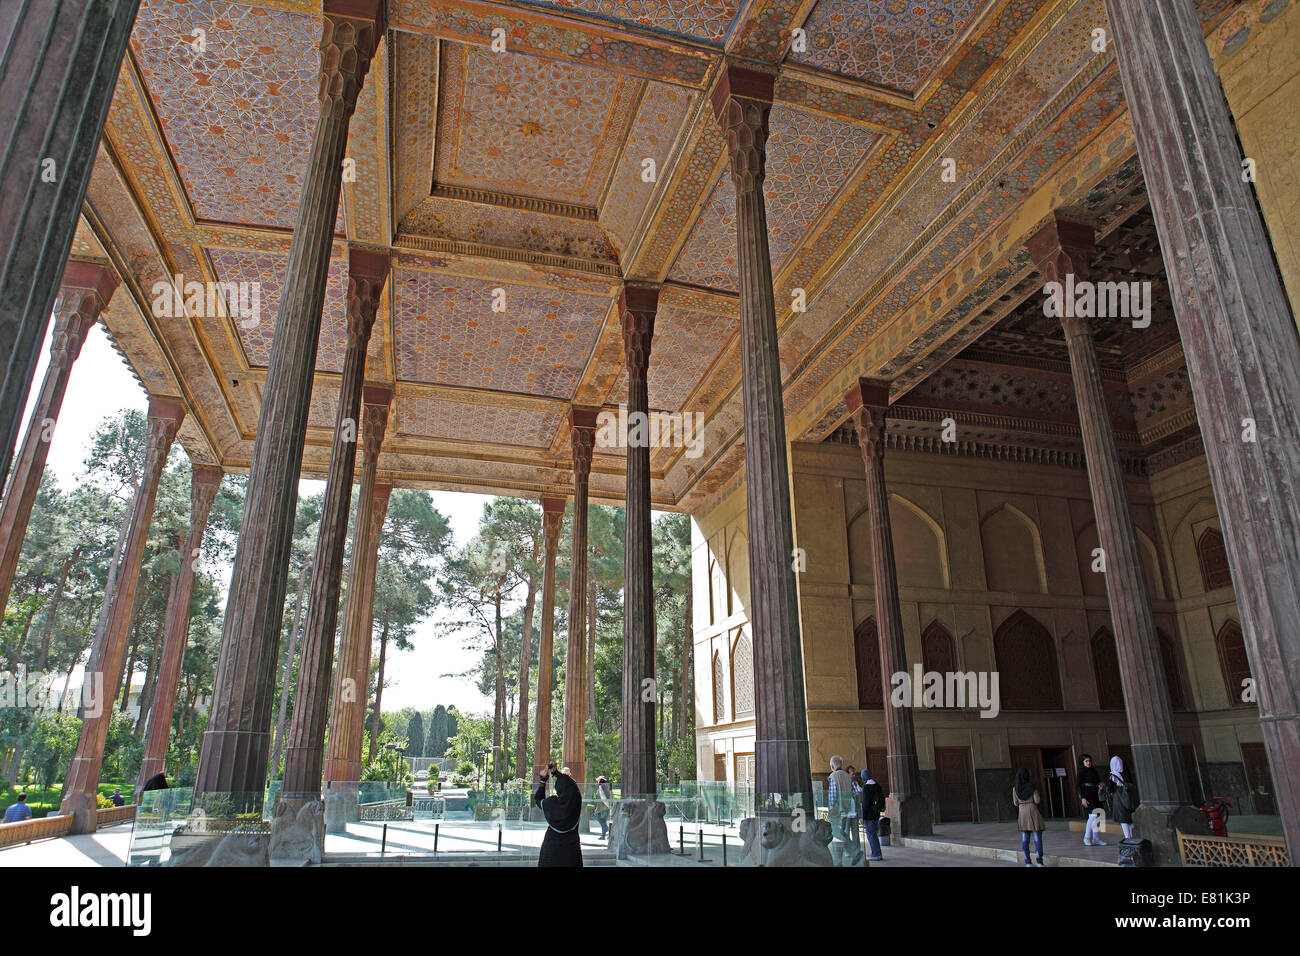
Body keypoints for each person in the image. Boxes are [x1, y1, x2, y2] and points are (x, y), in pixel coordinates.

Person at [534, 762, 583, 867]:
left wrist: (543, 780)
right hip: (571, 849)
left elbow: (538, 799)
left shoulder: (551, 804)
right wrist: (556, 773)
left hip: (551, 850)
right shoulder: (576, 801)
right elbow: (571, 785)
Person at [827, 755, 862, 866]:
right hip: (849, 810)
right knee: (842, 834)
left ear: (832, 766)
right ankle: (854, 852)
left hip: (838, 811)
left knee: (838, 835)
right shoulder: (848, 776)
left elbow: (832, 797)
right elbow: (856, 792)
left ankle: (838, 862)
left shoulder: (833, 777)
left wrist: (831, 810)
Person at [1013, 767, 1046, 867]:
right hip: (1033, 811)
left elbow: (1015, 803)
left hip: (1022, 813)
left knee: (1025, 839)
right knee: (1037, 839)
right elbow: (1037, 800)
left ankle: (1028, 862)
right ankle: (1039, 861)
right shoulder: (1031, 787)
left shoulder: (1015, 788)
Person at [1104, 755, 1138, 840]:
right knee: (1128, 818)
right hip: (1128, 798)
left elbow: (1111, 788)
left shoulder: (1113, 775)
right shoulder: (1125, 773)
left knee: (1123, 818)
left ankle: (1127, 837)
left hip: (1119, 798)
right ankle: (1131, 836)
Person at [1077, 754, 1107, 846]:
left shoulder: (1093, 769)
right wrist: (1083, 798)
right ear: (1082, 762)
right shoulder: (1081, 771)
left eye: (1089, 761)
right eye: (1086, 761)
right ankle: (1086, 837)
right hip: (1087, 795)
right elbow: (1078, 785)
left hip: (1096, 794)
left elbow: (1098, 781)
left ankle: (1096, 838)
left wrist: (1100, 785)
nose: (1088, 763)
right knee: (1093, 816)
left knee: (1098, 816)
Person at [860, 770, 886, 861]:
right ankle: (877, 852)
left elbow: (865, 804)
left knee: (870, 834)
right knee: (874, 833)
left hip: (869, 815)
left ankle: (876, 853)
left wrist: (862, 815)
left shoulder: (866, 787)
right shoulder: (877, 785)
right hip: (876, 813)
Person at [594, 775, 612, 840]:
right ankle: (603, 836)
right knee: (603, 821)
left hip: (602, 807)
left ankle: (606, 829)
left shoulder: (601, 787)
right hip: (605, 807)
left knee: (599, 819)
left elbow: (603, 797)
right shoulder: (605, 787)